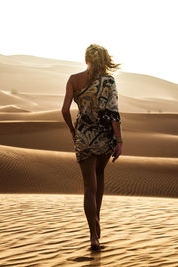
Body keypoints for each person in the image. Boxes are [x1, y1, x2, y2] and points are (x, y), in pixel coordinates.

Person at [61, 44, 123, 251]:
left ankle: (92, 235)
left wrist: (72, 129)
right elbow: (113, 113)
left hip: (83, 137)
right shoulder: (109, 81)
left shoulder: (73, 79)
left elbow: (64, 110)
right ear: (104, 60)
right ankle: (97, 225)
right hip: (104, 137)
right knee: (100, 176)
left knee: (89, 186)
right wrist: (119, 140)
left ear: (86, 59)